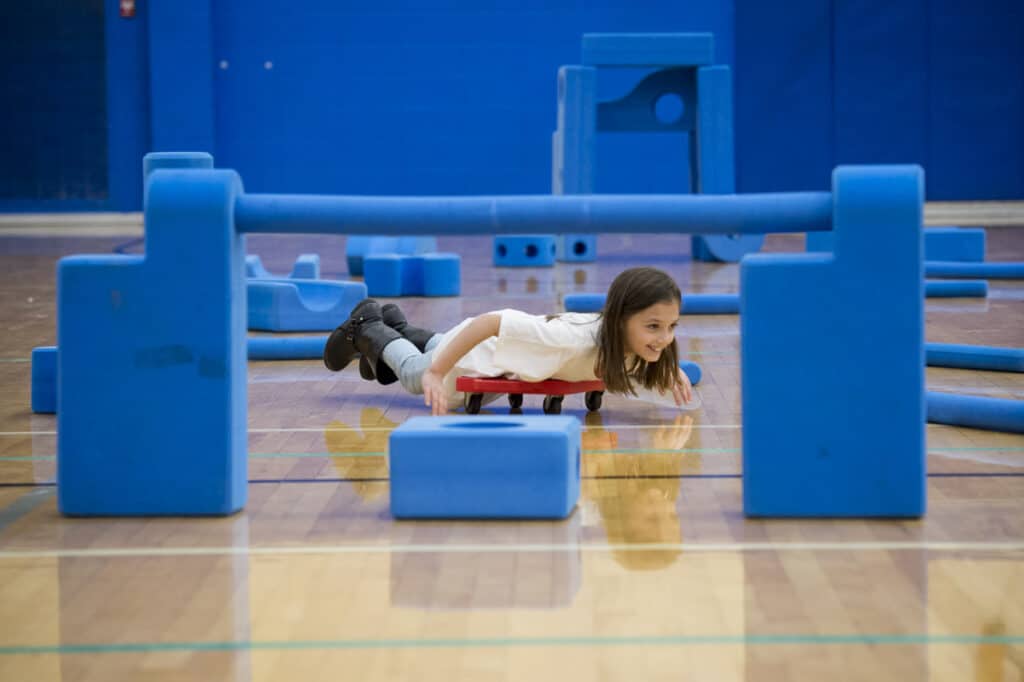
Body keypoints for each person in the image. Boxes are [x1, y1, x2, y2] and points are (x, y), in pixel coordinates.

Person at [323, 266, 693, 415]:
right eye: (654, 327)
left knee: (439, 348)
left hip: (490, 351)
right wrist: (435, 373)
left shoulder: (625, 340)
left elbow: (644, 355)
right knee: (412, 375)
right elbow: (492, 322)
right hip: (478, 356)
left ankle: (397, 327)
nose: (664, 338)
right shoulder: (570, 341)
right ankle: (369, 325)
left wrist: (668, 367)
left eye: (671, 326)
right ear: (620, 319)